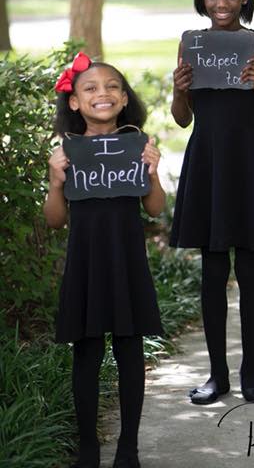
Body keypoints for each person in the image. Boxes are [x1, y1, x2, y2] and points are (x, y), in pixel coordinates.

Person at [170, 0, 254, 405]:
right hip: (207, 163)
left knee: (250, 269)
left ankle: (250, 372)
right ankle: (216, 374)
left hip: (249, 164)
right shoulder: (190, 46)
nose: (222, 3)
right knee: (213, 269)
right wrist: (179, 90)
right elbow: (182, 120)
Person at [44, 52, 165, 468]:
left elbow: (155, 208)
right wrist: (55, 181)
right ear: (75, 102)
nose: (103, 93)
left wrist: (153, 172)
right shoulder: (69, 151)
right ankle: (89, 448)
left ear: (125, 98)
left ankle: (128, 447)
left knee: (131, 349)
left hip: (127, 257)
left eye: (113, 86)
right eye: (91, 88)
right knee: (87, 350)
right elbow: (55, 220)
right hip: (86, 262)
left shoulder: (137, 143)